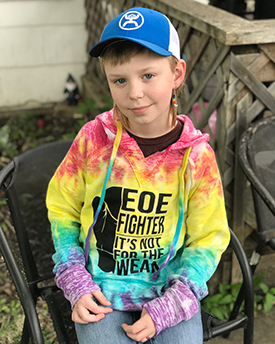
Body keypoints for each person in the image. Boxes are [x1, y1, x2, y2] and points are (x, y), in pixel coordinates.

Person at [46, 7, 230, 344]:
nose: (134, 92)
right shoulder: (93, 140)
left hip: (169, 294)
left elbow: (209, 238)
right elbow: (63, 210)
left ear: (177, 73)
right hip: (101, 292)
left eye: (148, 75)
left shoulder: (197, 158)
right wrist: (74, 276)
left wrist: (176, 300)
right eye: (120, 80)